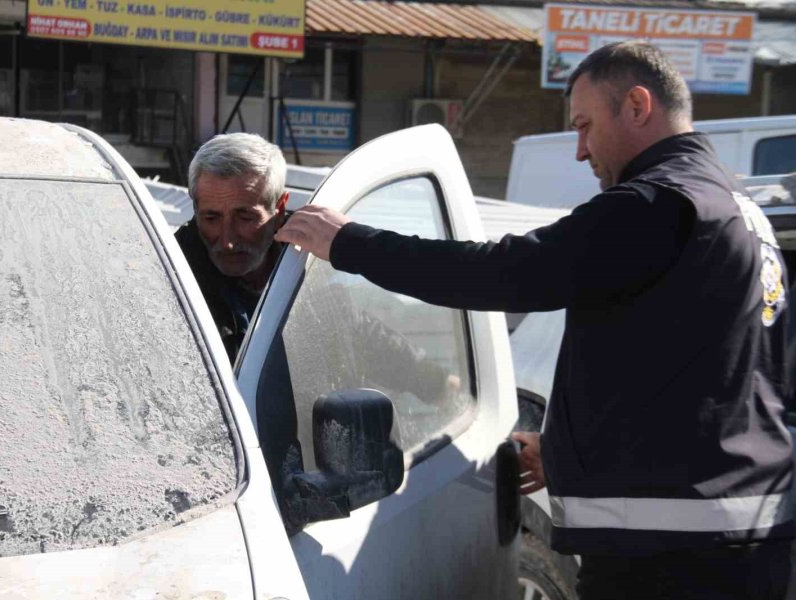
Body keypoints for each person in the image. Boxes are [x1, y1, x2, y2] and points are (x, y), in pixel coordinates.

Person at [275, 41, 794, 599]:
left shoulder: (659, 204)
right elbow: (703, 377)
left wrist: (349, 242)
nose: (580, 150)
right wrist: (573, 455)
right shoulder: (734, 207)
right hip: (738, 541)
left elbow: (505, 273)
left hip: (672, 559)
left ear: (638, 105)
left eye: (585, 125)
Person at [175, 132, 289, 363]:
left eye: (244, 217)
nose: (227, 241)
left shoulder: (312, 263)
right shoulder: (172, 281)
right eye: (211, 218)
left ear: (280, 209)